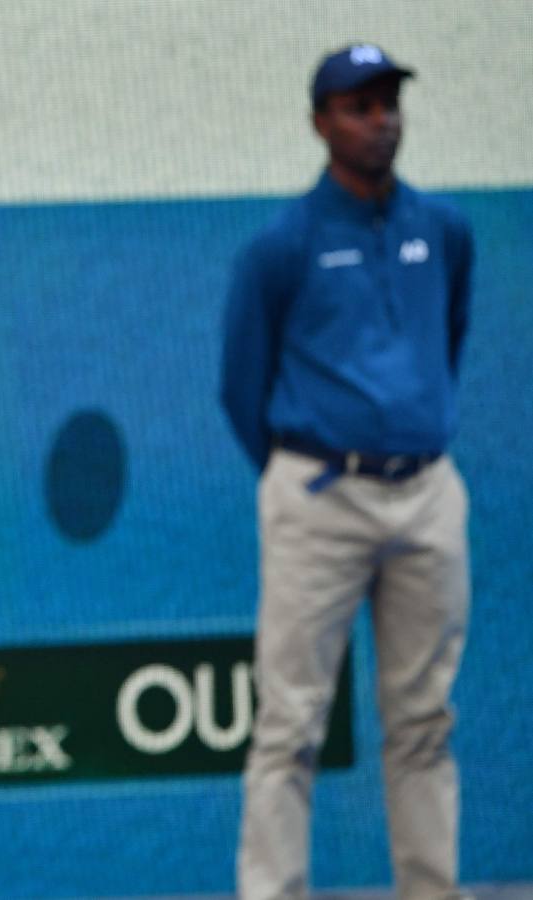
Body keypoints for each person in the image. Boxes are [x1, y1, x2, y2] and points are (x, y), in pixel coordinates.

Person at [221, 44, 474, 900]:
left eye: (388, 102)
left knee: (424, 723)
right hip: (316, 500)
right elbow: (240, 385)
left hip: (429, 498)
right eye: (358, 106)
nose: (380, 119)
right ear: (319, 121)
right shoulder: (281, 245)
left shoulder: (441, 230)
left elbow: (447, 343)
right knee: (288, 724)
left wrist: (408, 441)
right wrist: (303, 472)